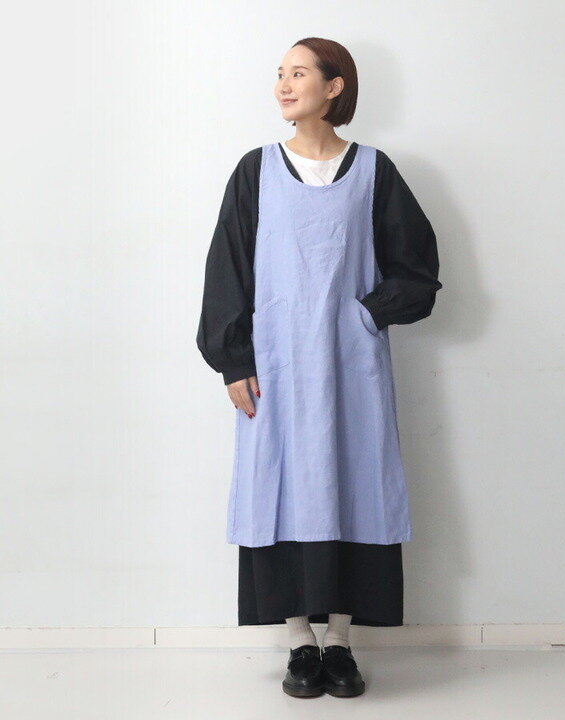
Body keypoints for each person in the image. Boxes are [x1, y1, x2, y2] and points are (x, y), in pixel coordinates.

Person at [196, 37, 442, 698]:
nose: (283, 84)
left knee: (351, 486)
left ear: (335, 86)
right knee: (283, 491)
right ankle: (299, 643)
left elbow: (417, 266)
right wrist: (233, 361)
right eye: (279, 74)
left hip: (350, 367)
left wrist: (366, 314)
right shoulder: (256, 171)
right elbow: (227, 271)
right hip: (276, 368)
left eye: (298, 73)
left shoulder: (373, 172)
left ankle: (341, 641)